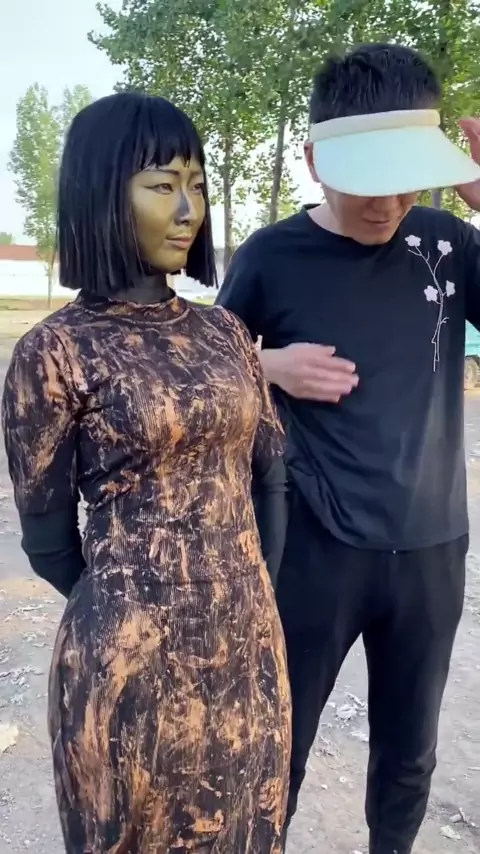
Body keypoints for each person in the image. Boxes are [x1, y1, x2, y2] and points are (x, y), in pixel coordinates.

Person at [2, 92, 291, 854]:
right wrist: (130, 604)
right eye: (163, 185)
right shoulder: (54, 352)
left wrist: (250, 590)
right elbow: (47, 539)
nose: (188, 208)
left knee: (248, 829)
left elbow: (270, 474)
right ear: (101, 194)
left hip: (248, 654)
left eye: (196, 184)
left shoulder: (226, 333)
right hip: (129, 670)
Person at [216, 43, 480, 854]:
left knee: (409, 754)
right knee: (279, 743)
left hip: (431, 548)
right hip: (314, 549)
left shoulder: (446, 243)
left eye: (409, 180)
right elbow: (200, 370)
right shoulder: (271, 256)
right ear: (315, 161)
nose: (389, 203)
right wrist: (265, 365)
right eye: (369, 181)